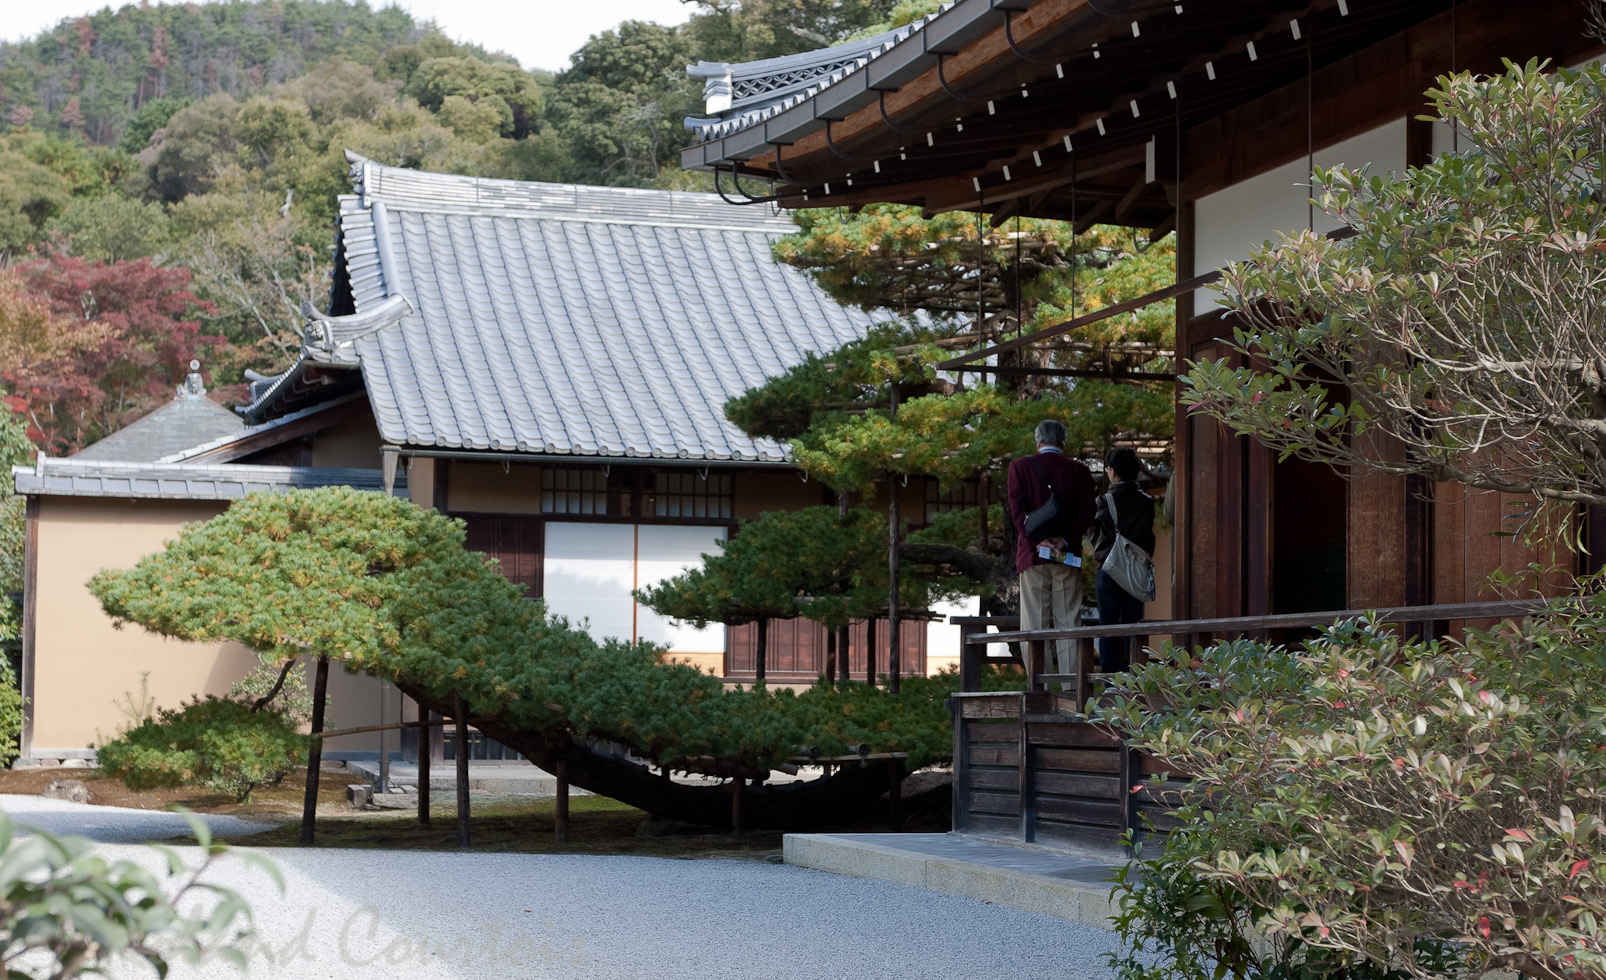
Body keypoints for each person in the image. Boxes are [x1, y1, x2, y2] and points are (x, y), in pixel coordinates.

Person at [1006, 419, 1096, 683]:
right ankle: (1072, 688)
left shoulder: (1020, 467)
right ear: (1063, 442)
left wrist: (1036, 542)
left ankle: (1039, 686)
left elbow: (1017, 513)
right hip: (1066, 556)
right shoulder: (1079, 471)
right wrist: (1064, 540)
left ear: (1037, 441)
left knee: (1034, 624)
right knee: (1069, 622)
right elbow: (1088, 511)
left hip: (1032, 557)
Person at [1088, 447, 1156, 673]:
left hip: (1109, 569)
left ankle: (1110, 683)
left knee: (1108, 629)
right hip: (1136, 571)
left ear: (1113, 471)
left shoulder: (1105, 501)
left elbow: (1093, 532)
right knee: (1132, 629)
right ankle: (1134, 680)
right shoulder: (1147, 502)